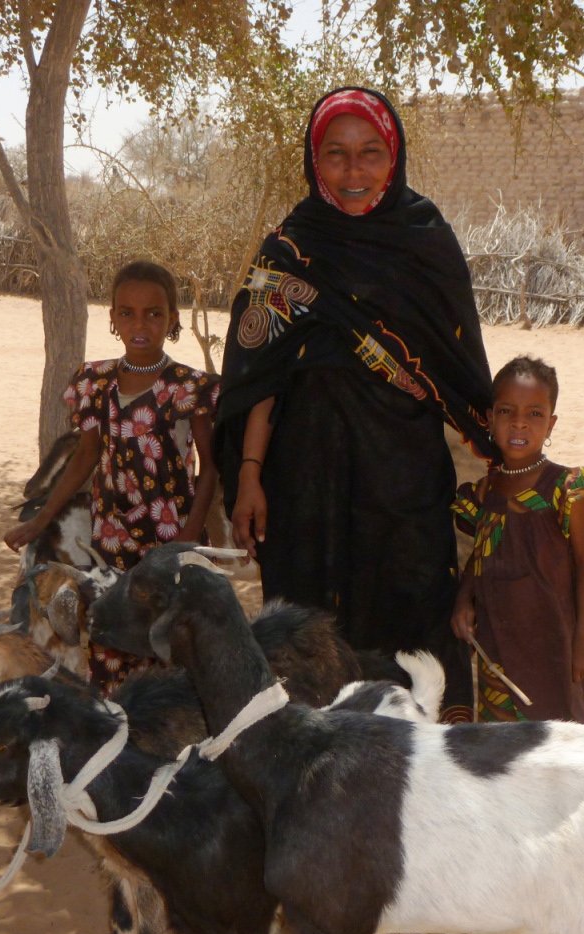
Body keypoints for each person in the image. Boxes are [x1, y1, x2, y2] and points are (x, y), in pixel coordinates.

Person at [216, 86, 495, 722]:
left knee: (413, 615)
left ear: (393, 155)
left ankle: (422, 777)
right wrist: (251, 477)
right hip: (303, 481)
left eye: (370, 152)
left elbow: (459, 374)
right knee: (307, 631)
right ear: (314, 160)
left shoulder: (425, 242)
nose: (353, 171)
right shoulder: (288, 248)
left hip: (404, 480)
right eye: (336, 154)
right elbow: (260, 376)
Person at [6, 260, 219, 690]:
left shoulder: (189, 387)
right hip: (111, 541)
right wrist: (39, 521)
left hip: (168, 539)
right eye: (127, 312)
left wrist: (190, 535)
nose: (139, 324)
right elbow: (85, 457)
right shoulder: (94, 382)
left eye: (154, 313)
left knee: (170, 647)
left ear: (172, 319)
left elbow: (211, 465)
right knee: (111, 644)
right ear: (113, 318)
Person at [450, 355, 584, 723]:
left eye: (534, 414)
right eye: (506, 411)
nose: (519, 423)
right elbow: (478, 556)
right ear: (489, 417)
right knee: (502, 745)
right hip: (497, 639)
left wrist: (583, 643)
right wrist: (464, 600)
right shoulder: (483, 492)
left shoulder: (565, 489)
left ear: (551, 424)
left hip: (553, 640)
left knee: (557, 740)